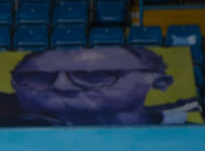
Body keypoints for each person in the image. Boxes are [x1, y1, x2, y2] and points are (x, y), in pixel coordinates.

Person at [10, 47, 191, 125]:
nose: (62, 86)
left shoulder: (190, 137)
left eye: (93, 74)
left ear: (159, 82)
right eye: (37, 76)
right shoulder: (2, 136)